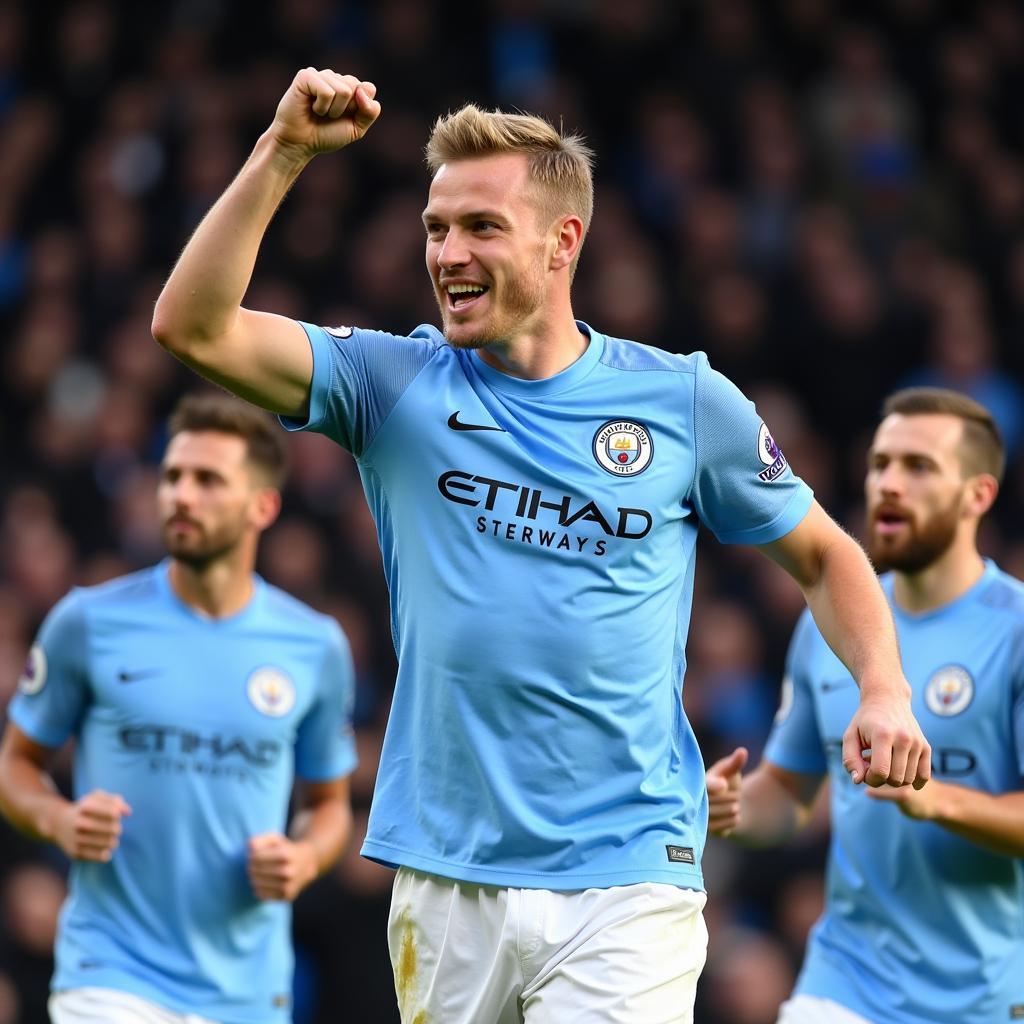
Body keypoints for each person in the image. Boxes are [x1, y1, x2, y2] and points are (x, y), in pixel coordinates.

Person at [150, 68, 930, 1023]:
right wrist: (285, 153)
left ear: (564, 243)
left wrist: (885, 688)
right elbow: (192, 327)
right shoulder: (391, 383)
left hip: (629, 871)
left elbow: (825, 555)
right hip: (447, 872)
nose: (447, 253)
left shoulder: (683, 401)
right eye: (436, 229)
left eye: (481, 227)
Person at [0, 393, 357, 1024]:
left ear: (263, 506)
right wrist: (59, 821)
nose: (181, 495)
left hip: (246, 990)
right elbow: (16, 767)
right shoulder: (87, 621)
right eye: (172, 476)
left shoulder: (313, 646)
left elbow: (330, 807)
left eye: (208, 480)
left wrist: (303, 858)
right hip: (110, 973)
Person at [706, 387, 1024, 1024]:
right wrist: (731, 806)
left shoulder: (1015, 631)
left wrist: (935, 801)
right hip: (844, 983)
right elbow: (789, 795)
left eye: (919, 466)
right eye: (881, 464)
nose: (889, 484)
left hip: (988, 997)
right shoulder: (831, 625)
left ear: (979, 496)